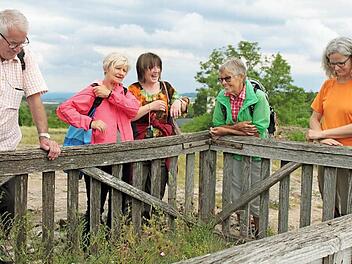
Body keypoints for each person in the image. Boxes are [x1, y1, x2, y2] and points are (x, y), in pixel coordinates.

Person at [56, 52, 139, 236]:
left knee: (120, 201)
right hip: (99, 156)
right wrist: (89, 123)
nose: (121, 73)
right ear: (106, 68)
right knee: (96, 202)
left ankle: (113, 241)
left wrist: (110, 95)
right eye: (117, 68)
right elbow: (63, 109)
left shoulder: (124, 92)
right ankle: (89, 244)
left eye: (125, 70)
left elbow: (134, 110)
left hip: (124, 156)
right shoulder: (94, 89)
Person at [0, 9, 61, 224]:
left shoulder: (24, 57)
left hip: (7, 150)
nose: (17, 49)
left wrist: (44, 135)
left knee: (8, 212)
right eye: (12, 43)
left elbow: (34, 97)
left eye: (22, 42)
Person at [210, 58, 270, 235]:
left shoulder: (258, 97)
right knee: (235, 194)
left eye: (227, 78)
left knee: (257, 195)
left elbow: (258, 130)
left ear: (241, 77)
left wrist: (225, 130)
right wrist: (237, 128)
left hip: (256, 155)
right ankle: (243, 231)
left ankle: (259, 233)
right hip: (234, 153)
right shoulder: (222, 97)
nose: (223, 83)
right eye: (221, 79)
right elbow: (216, 125)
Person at [128, 52, 189, 219]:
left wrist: (178, 101)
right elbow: (129, 115)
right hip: (139, 145)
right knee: (135, 183)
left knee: (158, 185)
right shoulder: (133, 90)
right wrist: (151, 106)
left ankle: (150, 220)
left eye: (158, 67)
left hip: (163, 146)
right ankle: (132, 221)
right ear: (142, 69)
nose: (155, 71)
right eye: (151, 67)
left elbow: (183, 105)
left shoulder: (166, 87)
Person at [306, 36, 352, 217]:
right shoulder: (328, 85)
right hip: (327, 152)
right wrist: (324, 138)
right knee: (329, 205)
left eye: (341, 63)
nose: (336, 68)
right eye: (332, 63)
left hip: (348, 155)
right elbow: (314, 118)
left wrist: (320, 134)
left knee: (348, 208)